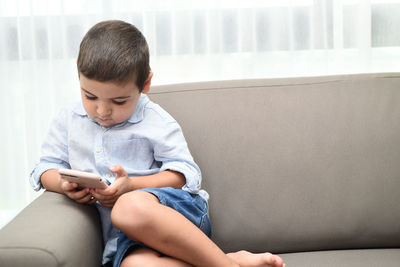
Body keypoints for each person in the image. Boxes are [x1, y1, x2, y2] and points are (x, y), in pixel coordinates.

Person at [30, 20, 286, 267]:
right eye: (90, 96)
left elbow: (186, 174)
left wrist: (133, 186)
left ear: (146, 84)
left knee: (127, 207)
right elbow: (44, 169)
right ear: (78, 72)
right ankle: (229, 260)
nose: (103, 110)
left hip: (176, 214)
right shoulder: (68, 120)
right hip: (129, 242)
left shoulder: (155, 121)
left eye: (119, 102)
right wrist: (64, 185)